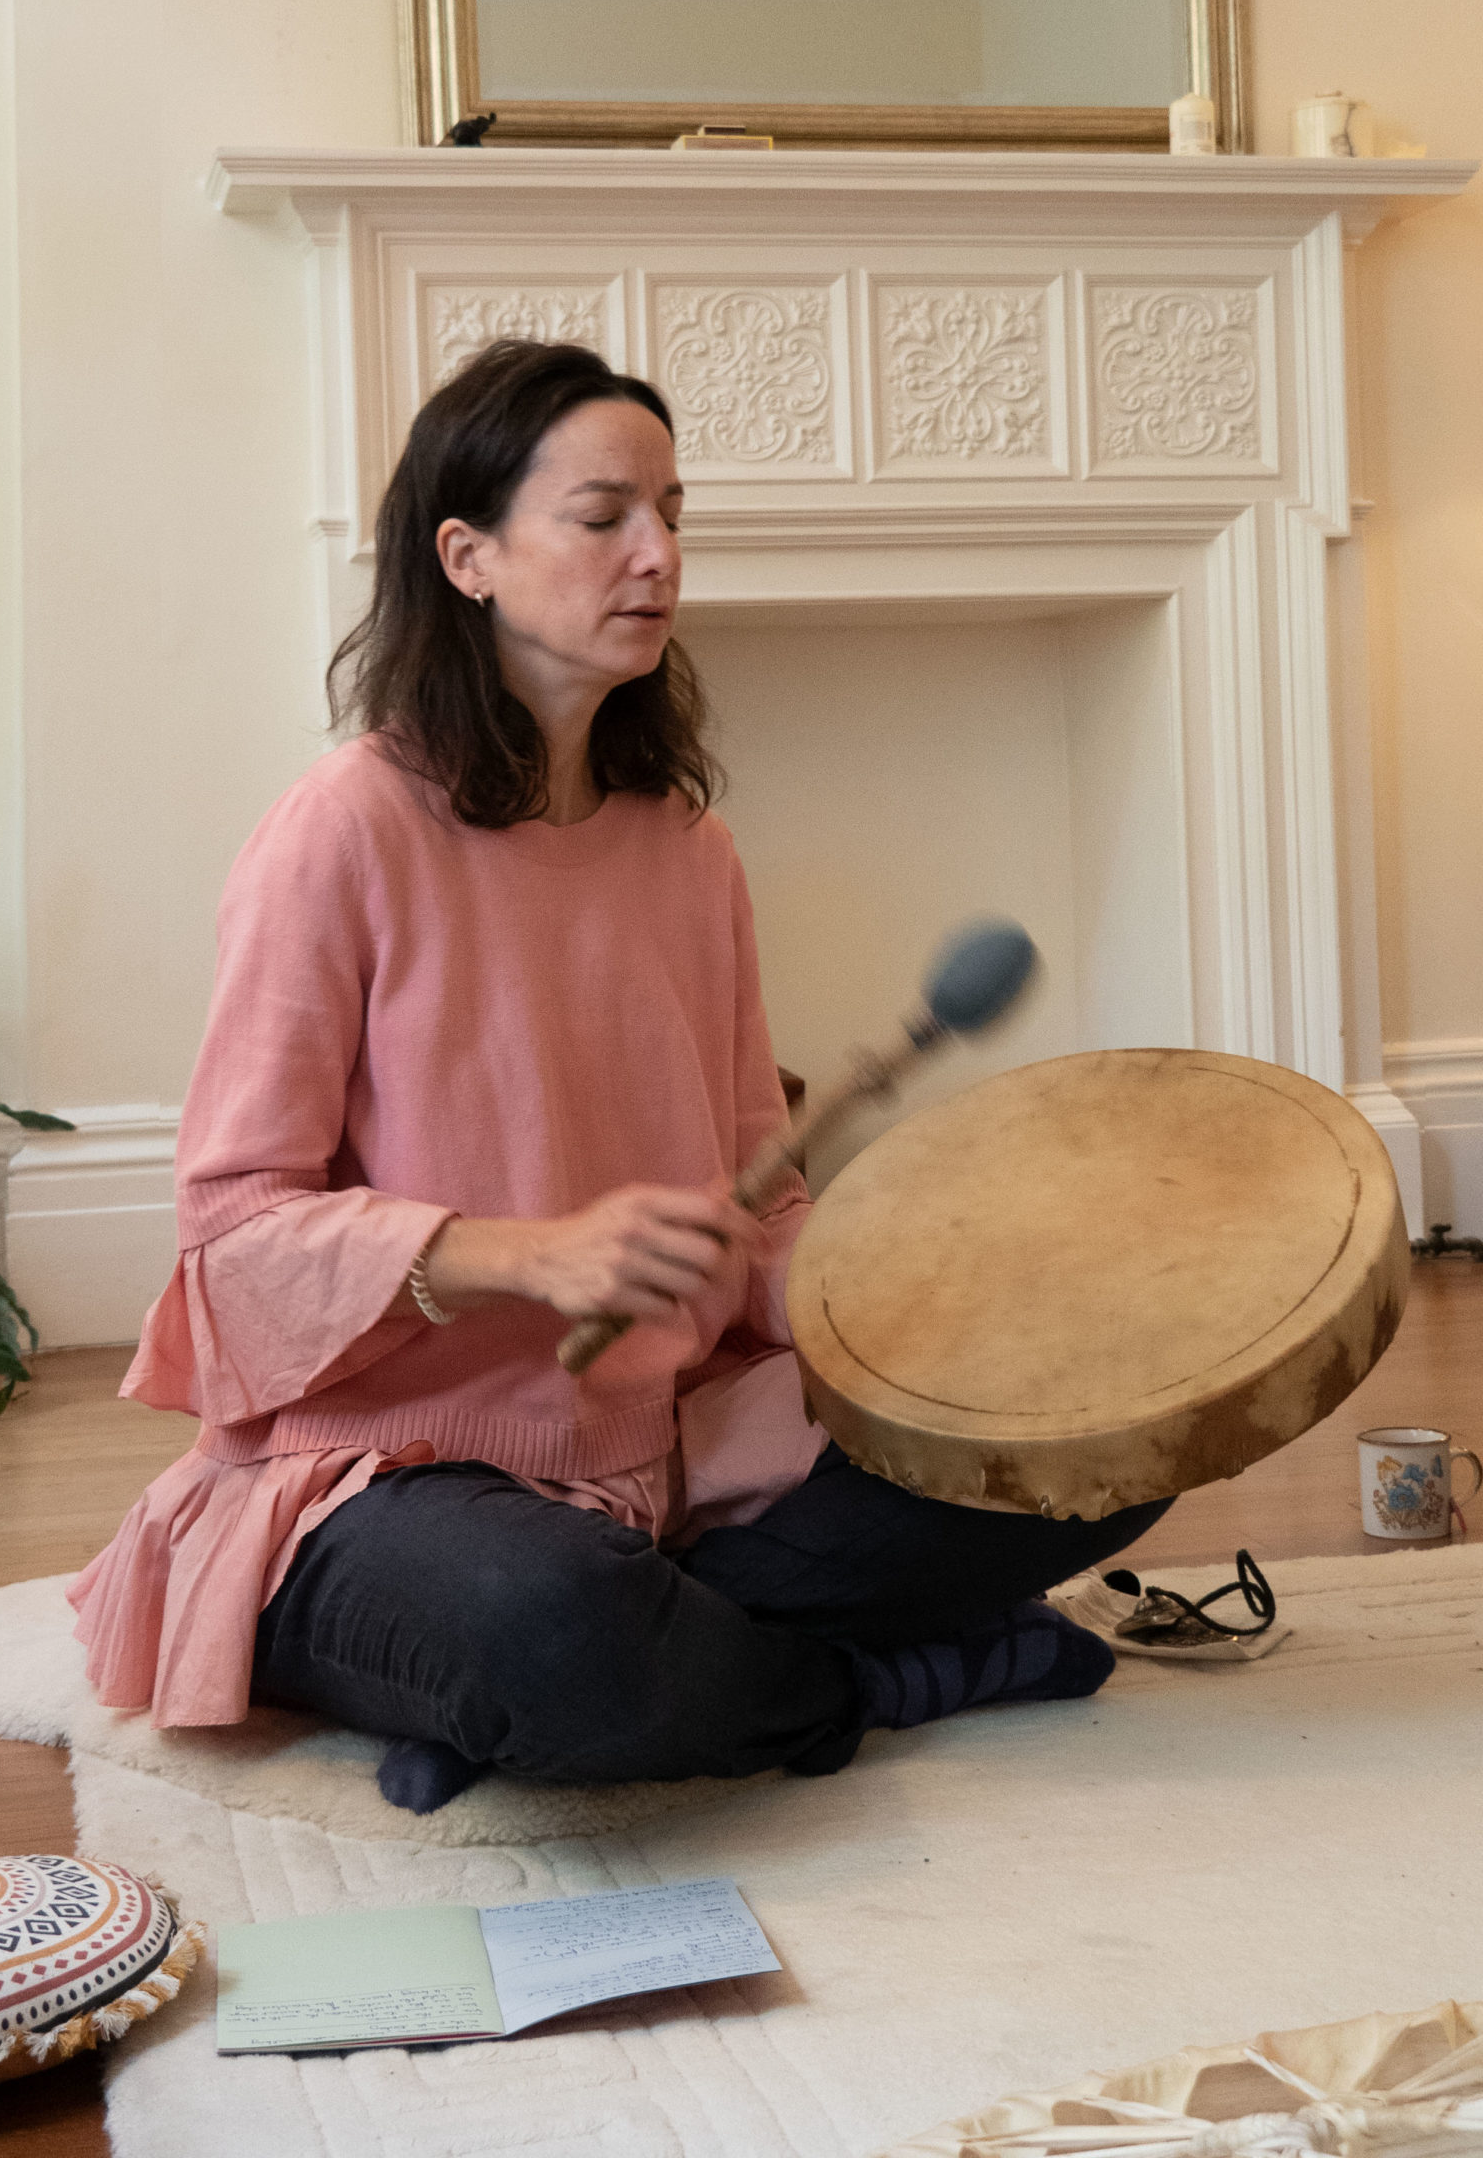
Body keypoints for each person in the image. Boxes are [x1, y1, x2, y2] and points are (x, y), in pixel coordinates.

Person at [70, 340, 1168, 1813]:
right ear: (467, 557)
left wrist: (945, 1313)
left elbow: (761, 1212)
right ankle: (861, 1678)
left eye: (670, 514)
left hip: (660, 1456)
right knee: (548, 1623)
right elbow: (235, 1236)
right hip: (384, 1475)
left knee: (1101, 1439)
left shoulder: (689, 855)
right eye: (602, 517)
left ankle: (607, 1693)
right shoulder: (341, 833)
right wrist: (534, 1256)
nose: (656, 554)